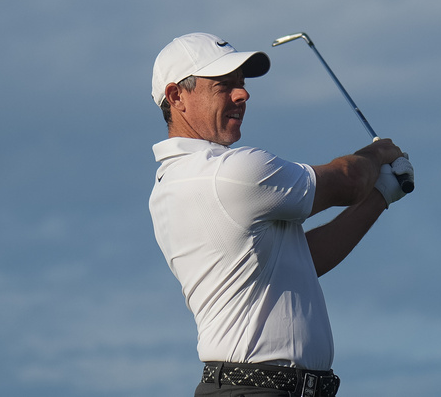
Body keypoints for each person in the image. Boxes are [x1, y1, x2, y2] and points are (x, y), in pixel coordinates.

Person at [148, 32, 414, 397]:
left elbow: (307, 258)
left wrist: (382, 194)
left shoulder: (174, 182)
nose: (243, 94)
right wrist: (379, 154)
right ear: (177, 95)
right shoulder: (228, 172)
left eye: (240, 85)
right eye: (224, 85)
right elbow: (349, 181)